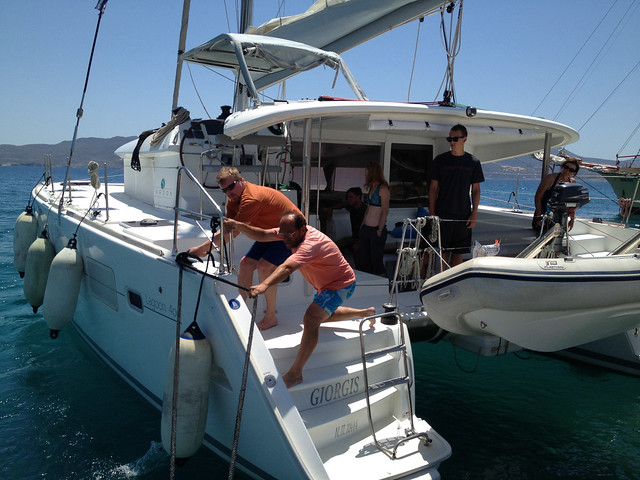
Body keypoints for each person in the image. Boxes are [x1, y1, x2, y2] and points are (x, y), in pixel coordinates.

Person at [224, 210, 375, 388]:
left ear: (303, 230)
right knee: (323, 316)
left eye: (289, 234)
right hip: (324, 284)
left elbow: (287, 268)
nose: (284, 238)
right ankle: (364, 313)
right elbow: (263, 235)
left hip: (340, 284)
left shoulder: (310, 244)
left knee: (311, 318)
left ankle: (295, 373)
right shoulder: (291, 232)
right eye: (282, 233)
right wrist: (239, 225)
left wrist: (264, 285)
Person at [187, 167, 301, 331]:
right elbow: (229, 230)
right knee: (245, 264)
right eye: (224, 190)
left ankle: (271, 317)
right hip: (270, 232)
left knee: (264, 267)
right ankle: (240, 310)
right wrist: (205, 248)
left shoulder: (251, 199)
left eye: (231, 187)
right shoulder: (233, 199)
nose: (228, 192)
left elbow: (232, 233)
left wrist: (201, 250)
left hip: (292, 234)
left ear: (241, 180)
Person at [428, 124, 484, 268]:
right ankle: (440, 281)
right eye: (449, 139)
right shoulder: (440, 161)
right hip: (442, 213)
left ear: (464, 139)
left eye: (455, 139)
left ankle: (453, 284)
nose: (452, 142)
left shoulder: (473, 162)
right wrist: (432, 212)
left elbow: (476, 189)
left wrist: (474, 213)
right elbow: (433, 188)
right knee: (442, 251)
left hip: (463, 214)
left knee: (458, 252)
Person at [533, 158, 580, 232]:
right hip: (545, 216)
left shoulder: (572, 182)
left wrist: (572, 219)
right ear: (562, 167)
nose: (567, 171)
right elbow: (538, 196)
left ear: (574, 173)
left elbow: (572, 202)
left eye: (571, 170)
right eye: (566, 167)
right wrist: (538, 217)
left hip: (561, 218)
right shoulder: (550, 178)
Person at [360, 162, 390, 275]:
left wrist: (380, 229)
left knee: (376, 260)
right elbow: (368, 208)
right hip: (366, 228)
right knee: (365, 260)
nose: (365, 175)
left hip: (376, 230)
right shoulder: (371, 188)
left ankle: (383, 283)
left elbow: (385, 210)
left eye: (367, 173)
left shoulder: (383, 189)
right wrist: (362, 224)